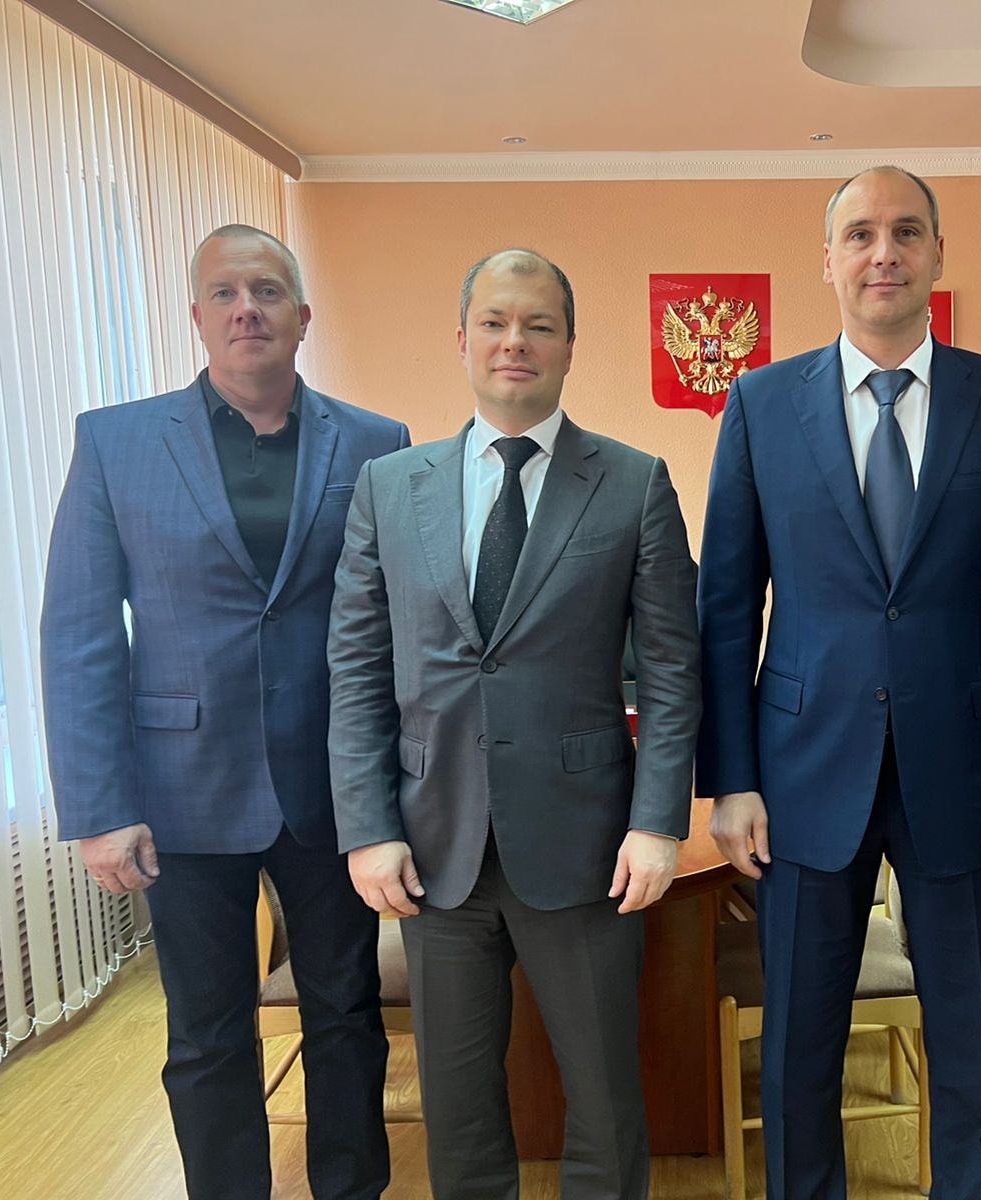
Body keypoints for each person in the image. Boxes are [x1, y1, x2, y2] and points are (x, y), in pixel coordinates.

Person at [696, 166, 981, 1199]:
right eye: (861, 234)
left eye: (907, 232)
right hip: (798, 773)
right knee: (799, 1044)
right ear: (827, 260)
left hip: (968, 767)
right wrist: (729, 779)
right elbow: (726, 607)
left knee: (969, 1039)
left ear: (937, 255)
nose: (884, 253)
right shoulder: (760, 404)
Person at [41, 224, 408, 1200]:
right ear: (198, 316)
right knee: (207, 1035)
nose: (247, 308)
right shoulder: (115, 442)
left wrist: (400, 785)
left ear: (302, 315)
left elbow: (395, 626)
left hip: (333, 790)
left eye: (267, 291)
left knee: (346, 1014)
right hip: (181, 794)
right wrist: (100, 808)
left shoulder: (376, 444)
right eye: (225, 293)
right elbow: (79, 632)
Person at [327, 249, 700, 1199]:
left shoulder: (634, 483)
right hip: (433, 851)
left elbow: (671, 670)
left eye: (538, 324)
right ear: (462, 340)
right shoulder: (388, 486)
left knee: (604, 1098)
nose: (514, 342)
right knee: (457, 1110)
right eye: (494, 322)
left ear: (571, 345)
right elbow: (356, 672)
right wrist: (367, 826)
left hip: (588, 850)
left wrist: (658, 823)